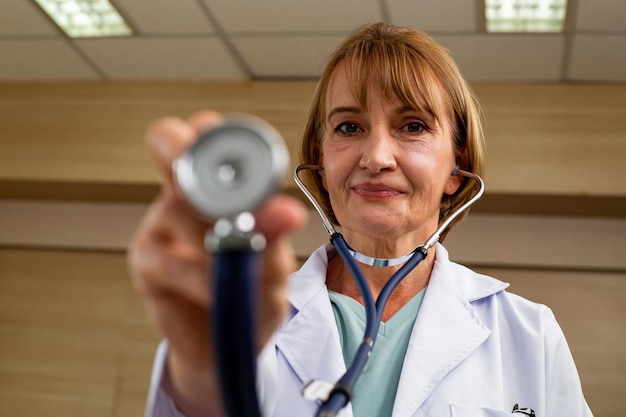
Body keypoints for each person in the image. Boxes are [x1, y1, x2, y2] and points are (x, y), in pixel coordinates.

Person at [128, 22, 593, 417]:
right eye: (349, 127)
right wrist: (202, 385)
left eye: (412, 126)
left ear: (456, 166)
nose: (376, 157)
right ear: (322, 161)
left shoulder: (529, 332)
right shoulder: (238, 318)